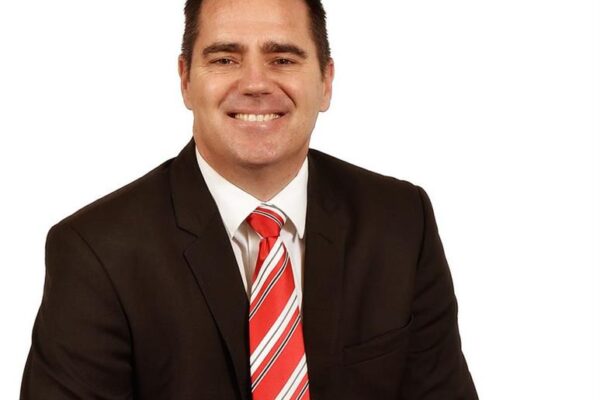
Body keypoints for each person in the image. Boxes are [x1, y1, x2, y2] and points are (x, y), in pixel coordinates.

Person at [20, 0, 478, 398]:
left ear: (326, 81)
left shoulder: (401, 222)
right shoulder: (96, 252)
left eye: (283, 59)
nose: (256, 83)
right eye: (225, 59)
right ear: (185, 80)